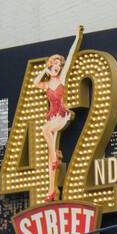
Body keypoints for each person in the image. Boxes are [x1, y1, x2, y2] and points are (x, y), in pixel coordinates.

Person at [32, 25, 83, 202]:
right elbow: (34, 82)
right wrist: (44, 71)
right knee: (50, 159)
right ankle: (50, 191)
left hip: (62, 116)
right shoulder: (46, 84)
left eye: (59, 65)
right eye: (55, 64)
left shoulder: (62, 79)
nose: (58, 67)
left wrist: (77, 37)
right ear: (50, 65)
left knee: (45, 131)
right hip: (53, 117)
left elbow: (70, 57)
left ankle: (54, 156)